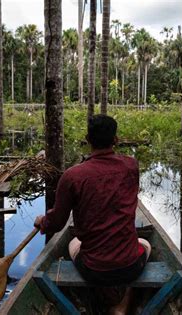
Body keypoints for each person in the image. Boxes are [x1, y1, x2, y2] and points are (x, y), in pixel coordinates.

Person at [34, 114, 151, 314]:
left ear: (88, 140)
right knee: (146, 245)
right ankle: (122, 305)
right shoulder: (131, 165)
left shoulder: (72, 176)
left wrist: (43, 222)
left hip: (94, 269)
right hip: (131, 266)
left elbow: (57, 223)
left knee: (73, 244)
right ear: (116, 140)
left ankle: (101, 301)